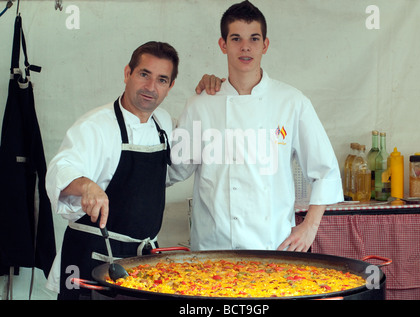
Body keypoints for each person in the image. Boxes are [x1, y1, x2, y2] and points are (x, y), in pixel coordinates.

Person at [169, 1, 343, 252]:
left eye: (254, 38)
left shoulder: (292, 102)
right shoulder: (200, 105)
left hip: (273, 246)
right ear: (223, 45)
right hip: (212, 249)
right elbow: (174, 168)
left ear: (265, 44)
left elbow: (325, 171)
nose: (245, 47)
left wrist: (309, 228)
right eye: (236, 39)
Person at [45, 41, 178, 300]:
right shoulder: (95, 126)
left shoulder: (164, 124)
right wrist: (86, 185)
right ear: (127, 73)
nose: (151, 87)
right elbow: (60, 168)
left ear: (170, 86)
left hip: (143, 263)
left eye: (162, 80)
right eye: (144, 74)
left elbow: (174, 171)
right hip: (93, 259)